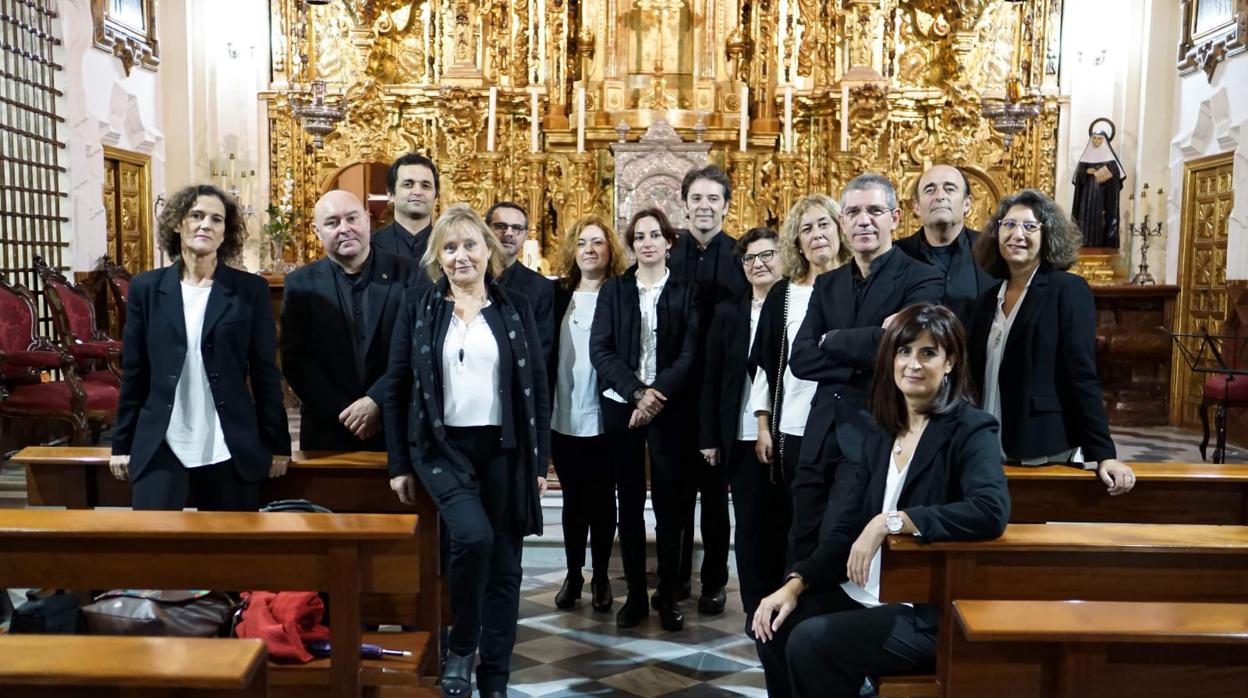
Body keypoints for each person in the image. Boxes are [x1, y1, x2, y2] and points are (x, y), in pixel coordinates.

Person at [753, 303, 1011, 698]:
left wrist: (891, 521)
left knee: (812, 642)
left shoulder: (970, 428)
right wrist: (796, 582)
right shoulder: (880, 430)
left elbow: (991, 510)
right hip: (863, 593)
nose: (913, 364)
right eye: (904, 351)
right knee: (772, 626)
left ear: (950, 362)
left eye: (928, 353)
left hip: (923, 609)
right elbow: (844, 529)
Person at [383, 204, 550, 698]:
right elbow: (397, 386)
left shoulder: (513, 304)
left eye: (470, 245)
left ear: (488, 251)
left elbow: (537, 385)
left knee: (505, 567)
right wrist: (398, 464)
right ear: (438, 256)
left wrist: (539, 462)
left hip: (505, 447)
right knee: (473, 539)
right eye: (450, 248)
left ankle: (494, 675)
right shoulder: (420, 307)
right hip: (442, 447)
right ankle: (461, 645)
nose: (461, 257)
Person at [786, 174, 944, 568]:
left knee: (839, 543)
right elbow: (801, 358)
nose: (863, 221)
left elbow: (904, 354)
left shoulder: (922, 277)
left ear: (894, 217)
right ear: (843, 222)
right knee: (801, 538)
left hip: (875, 429)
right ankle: (789, 626)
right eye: (853, 212)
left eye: (874, 211)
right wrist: (874, 341)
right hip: (820, 432)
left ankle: (829, 629)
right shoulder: (827, 283)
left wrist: (832, 339)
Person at [109, 184, 290, 510]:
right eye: (197, 215)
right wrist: (121, 442)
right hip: (163, 438)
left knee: (230, 549)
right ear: (178, 224)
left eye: (216, 220)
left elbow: (265, 372)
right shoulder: (146, 289)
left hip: (228, 438)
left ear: (225, 233)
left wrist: (278, 444)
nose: (206, 224)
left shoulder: (249, 290)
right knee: (154, 547)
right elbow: (134, 371)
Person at [969, 189, 1135, 494]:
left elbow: (1082, 374)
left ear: (1048, 236)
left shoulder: (1066, 290)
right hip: (986, 439)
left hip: (1039, 440)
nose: (1017, 234)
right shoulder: (986, 300)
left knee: (1031, 533)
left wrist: (1104, 455)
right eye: (1008, 225)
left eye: (1030, 227)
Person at [590, 207, 700, 631]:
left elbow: (690, 353)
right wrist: (637, 392)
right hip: (623, 406)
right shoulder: (615, 291)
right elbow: (601, 349)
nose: (647, 242)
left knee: (673, 506)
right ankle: (635, 594)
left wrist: (656, 396)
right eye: (639, 237)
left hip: (672, 409)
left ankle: (668, 595)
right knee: (630, 503)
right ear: (632, 245)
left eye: (655, 235)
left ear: (669, 242)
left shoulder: (688, 291)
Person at [745, 195, 850, 627]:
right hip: (792, 423)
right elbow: (767, 367)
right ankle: (791, 610)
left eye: (824, 225)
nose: (817, 235)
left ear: (839, 229)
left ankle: (832, 614)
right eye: (806, 229)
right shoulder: (784, 293)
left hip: (843, 424)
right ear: (796, 242)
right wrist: (763, 424)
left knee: (838, 522)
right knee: (797, 523)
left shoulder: (855, 283)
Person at [280, 190, 418, 451]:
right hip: (327, 429)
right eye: (332, 223)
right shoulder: (300, 284)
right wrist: (346, 412)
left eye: (352, 218)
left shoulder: (410, 274)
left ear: (367, 220)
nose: (345, 229)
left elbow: (419, 348)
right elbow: (295, 359)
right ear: (317, 231)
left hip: (396, 424)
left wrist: (376, 401)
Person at [669, 164, 747, 612]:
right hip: (677, 395)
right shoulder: (668, 253)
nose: (704, 206)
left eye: (713, 199)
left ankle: (714, 581)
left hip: (720, 393)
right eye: (696, 198)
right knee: (676, 495)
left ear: (725, 205)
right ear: (685, 204)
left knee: (716, 499)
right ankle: (676, 576)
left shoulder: (740, 255)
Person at [698, 226, 783, 631]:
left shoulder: (796, 304)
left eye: (767, 255)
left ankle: (784, 603)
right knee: (749, 527)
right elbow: (711, 378)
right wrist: (710, 437)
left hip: (789, 433)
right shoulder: (729, 312)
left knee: (785, 522)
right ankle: (755, 608)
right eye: (749, 259)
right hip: (740, 432)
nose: (758, 264)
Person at [549, 215, 627, 613]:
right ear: (572, 251)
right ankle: (573, 573)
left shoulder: (620, 294)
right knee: (573, 499)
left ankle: (600, 577)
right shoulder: (558, 294)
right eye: (582, 243)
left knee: (602, 500)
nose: (590, 250)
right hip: (563, 411)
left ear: (610, 249)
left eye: (598, 242)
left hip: (605, 412)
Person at [895, 164, 996, 325]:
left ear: (967, 204)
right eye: (930, 190)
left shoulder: (993, 251)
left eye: (949, 189)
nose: (940, 196)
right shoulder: (896, 254)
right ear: (916, 206)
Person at [485, 201, 555, 359]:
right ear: (486, 230)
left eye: (517, 228)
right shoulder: (470, 278)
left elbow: (541, 348)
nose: (509, 233)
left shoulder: (541, 287)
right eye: (501, 226)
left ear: (525, 235)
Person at [372, 153, 439, 267]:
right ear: (391, 195)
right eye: (408, 184)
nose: (418, 192)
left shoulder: (448, 245)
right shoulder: (370, 247)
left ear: (436, 197)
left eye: (426, 186)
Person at [1070, 120, 1126, 248]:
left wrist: (1103, 173)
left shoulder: (1110, 160)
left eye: (1099, 139)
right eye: (1094, 138)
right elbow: (1078, 177)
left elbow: (1116, 176)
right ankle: (1084, 243)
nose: (1096, 141)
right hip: (1086, 197)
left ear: (1104, 141)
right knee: (1085, 220)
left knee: (1100, 221)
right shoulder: (1085, 158)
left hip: (1102, 198)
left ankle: (1100, 244)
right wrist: (1086, 172)